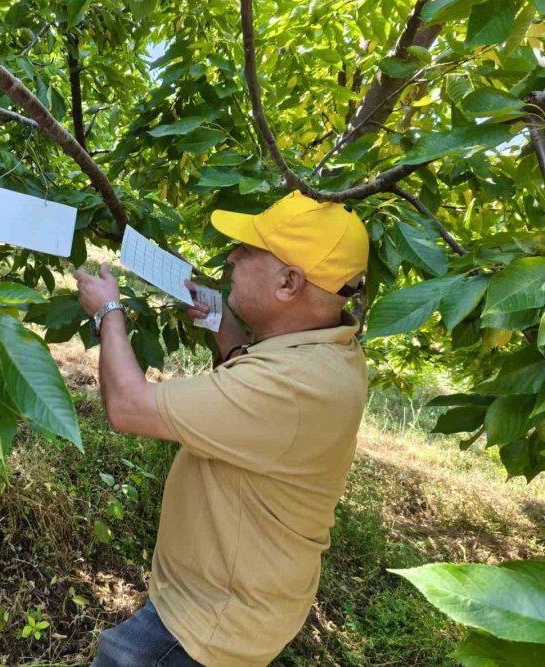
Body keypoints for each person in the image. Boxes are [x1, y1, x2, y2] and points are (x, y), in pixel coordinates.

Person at [72, 191, 370, 667]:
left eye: (248, 251)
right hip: (236, 605)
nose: (232, 256)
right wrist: (223, 325)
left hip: (203, 629)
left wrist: (108, 312)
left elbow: (128, 407)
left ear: (289, 282)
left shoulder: (292, 387)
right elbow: (258, 400)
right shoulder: (326, 352)